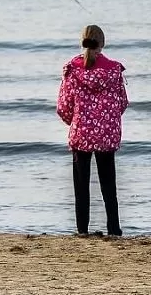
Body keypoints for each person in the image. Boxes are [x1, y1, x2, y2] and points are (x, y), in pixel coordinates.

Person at [57, 25, 129, 237]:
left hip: (81, 134)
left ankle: (82, 229)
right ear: (102, 43)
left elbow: (63, 106)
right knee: (109, 185)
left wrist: (76, 121)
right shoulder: (114, 70)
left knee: (81, 186)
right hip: (107, 134)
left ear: (82, 43)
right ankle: (114, 228)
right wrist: (107, 121)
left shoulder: (72, 70)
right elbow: (122, 102)